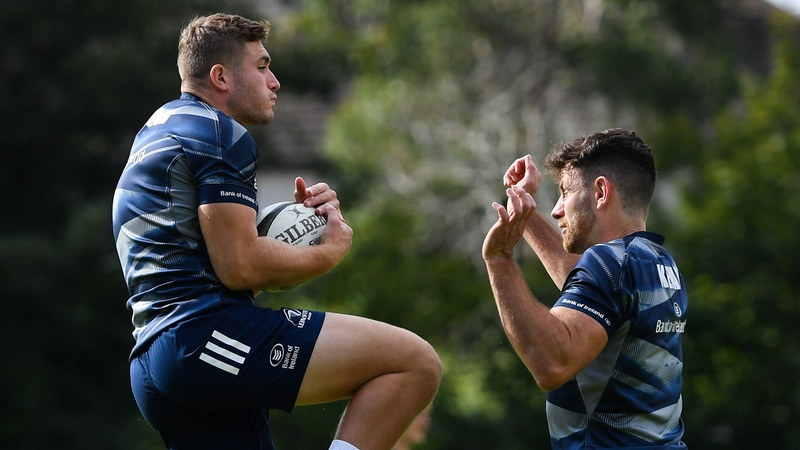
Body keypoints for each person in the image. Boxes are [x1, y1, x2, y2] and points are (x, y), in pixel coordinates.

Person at [112, 13, 441, 450]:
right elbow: (241, 267)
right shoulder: (220, 131)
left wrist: (292, 235)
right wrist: (326, 252)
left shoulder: (157, 129)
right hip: (203, 338)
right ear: (220, 77)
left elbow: (210, 264)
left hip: (157, 359)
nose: (275, 81)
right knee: (413, 363)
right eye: (263, 66)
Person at [481, 129, 687, 449]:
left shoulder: (610, 263)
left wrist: (499, 259)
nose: (557, 209)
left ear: (601, 192)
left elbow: (552, 364)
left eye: (565, 193)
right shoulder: (657, 262)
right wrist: (525, 210)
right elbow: (586, 284)